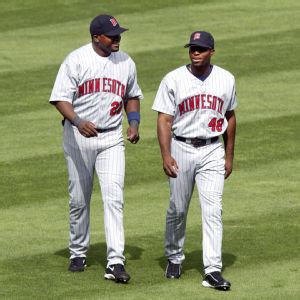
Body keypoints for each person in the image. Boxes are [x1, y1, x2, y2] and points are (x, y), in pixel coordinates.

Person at [49, 14, 143, 283]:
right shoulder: (76, 60)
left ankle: (115, 261)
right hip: (78, 138)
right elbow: (60, 99)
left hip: (111, 138)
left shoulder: (125, 62)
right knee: (79, 199)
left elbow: (132, 95)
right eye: (112, 36)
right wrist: (77, 121)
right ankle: (78, 251)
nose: (117, 39)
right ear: (95, 38)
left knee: (114, 198)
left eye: (118, 34)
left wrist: (134, 123)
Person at [152, 31, 237, 291]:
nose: (195, 53)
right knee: (178, 208)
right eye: (192, 49)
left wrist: (229, 155)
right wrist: (166, 154)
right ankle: (175, 257)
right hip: (181, 147)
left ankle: (212, 269)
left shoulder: (226, 79)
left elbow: (230, 117)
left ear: (212, 51)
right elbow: (164, 120)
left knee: (213, 210)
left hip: (212, 149)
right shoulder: (174, 79)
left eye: (201, 49)